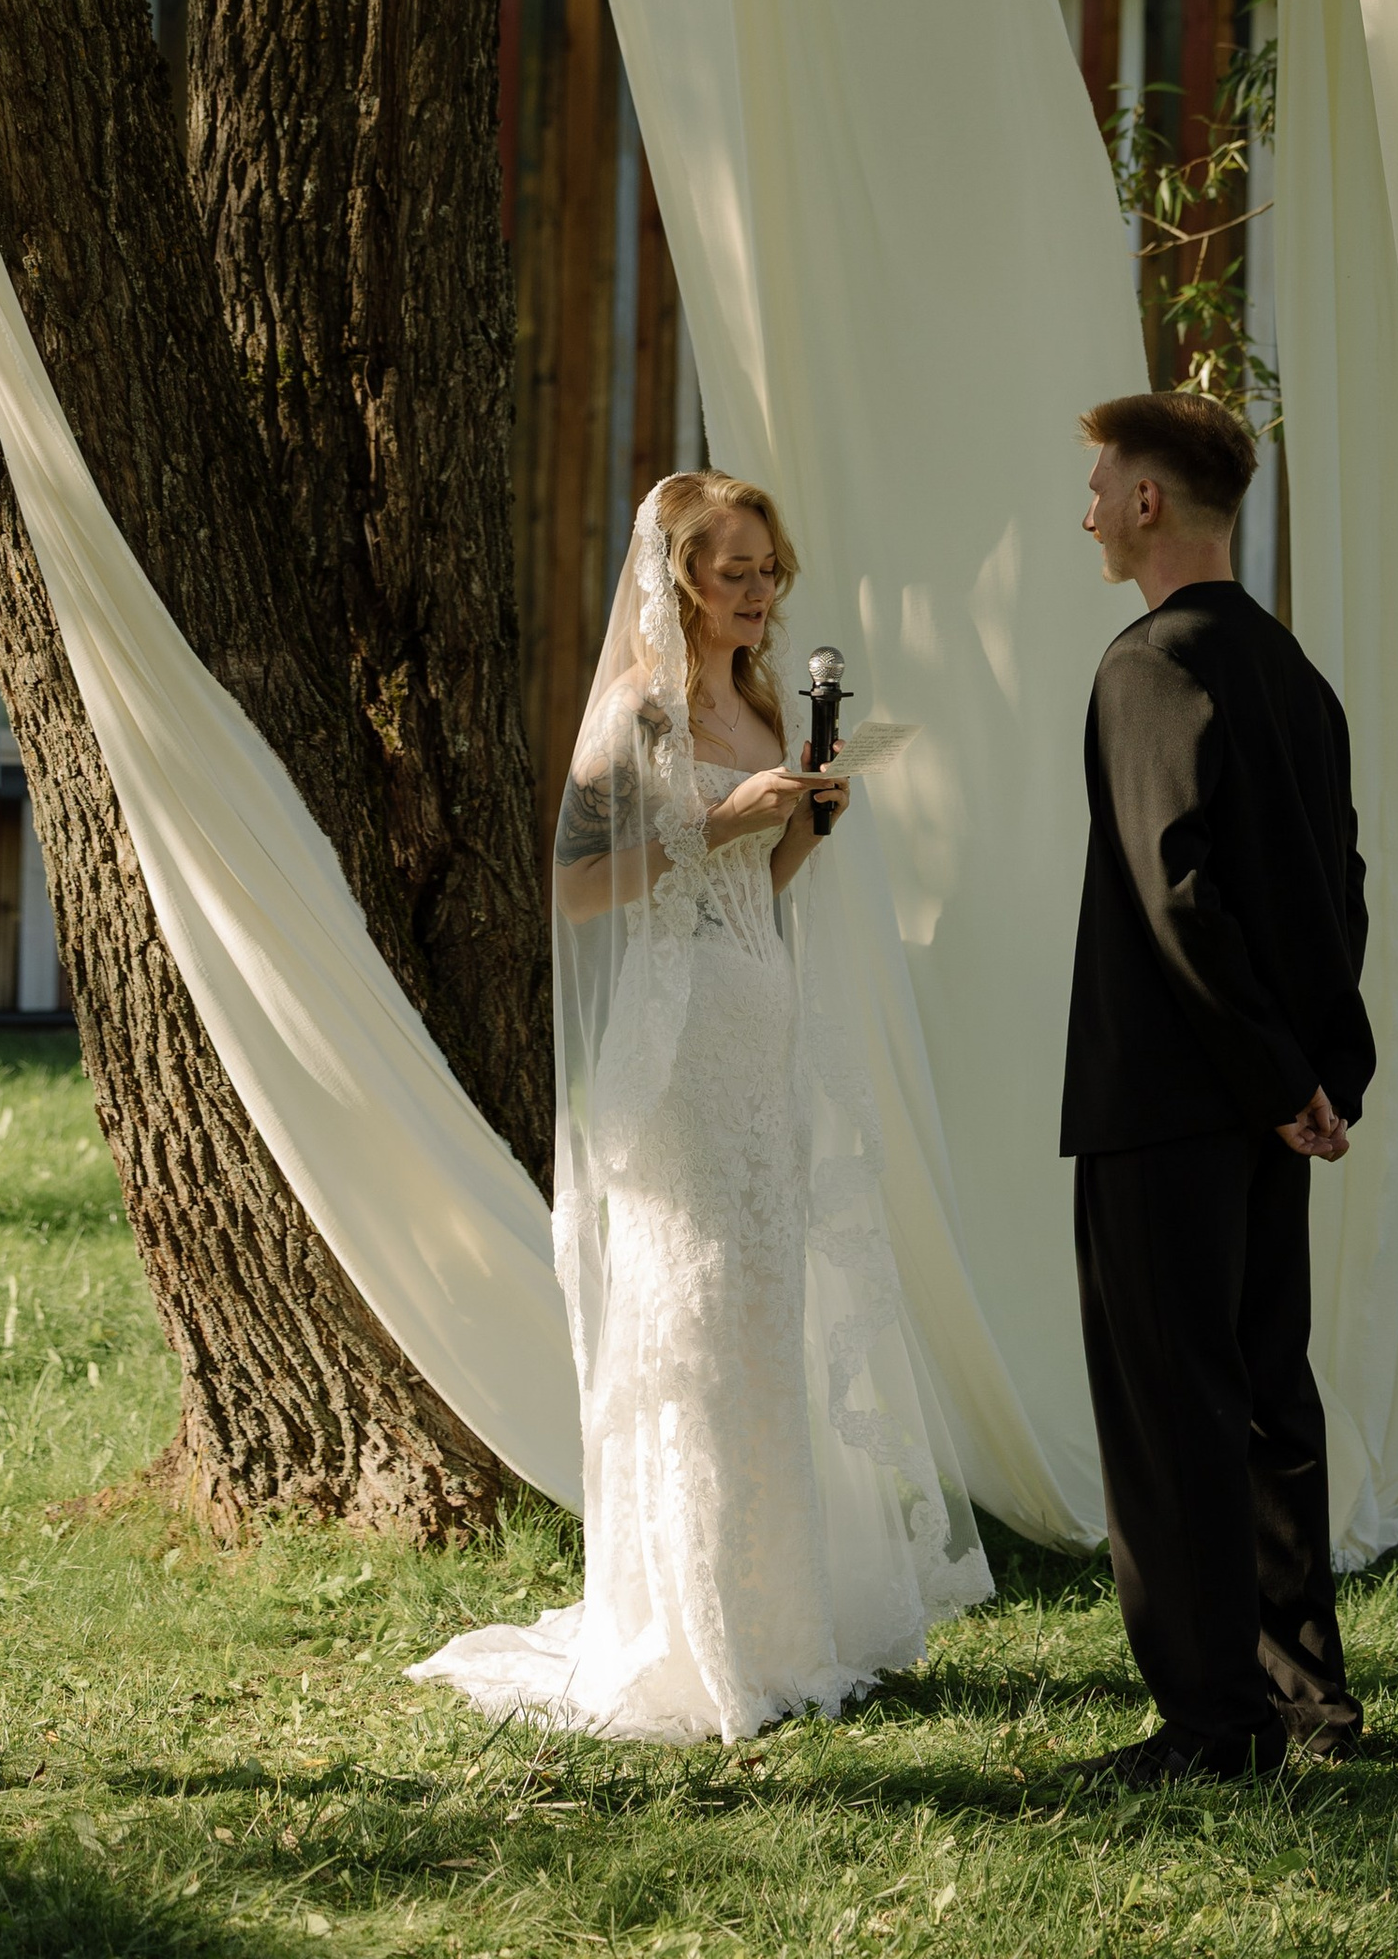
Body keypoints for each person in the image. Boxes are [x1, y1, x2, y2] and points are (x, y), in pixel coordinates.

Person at [412, 469, 990, 1739]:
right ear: (678, 578)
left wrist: (805, 823)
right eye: (735, 571)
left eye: (770, 570)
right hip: (675, 1051)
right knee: (696, 1310)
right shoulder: (642, 713)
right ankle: (686, 1628)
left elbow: (762, 882)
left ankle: (774, 1618)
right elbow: (573, 891)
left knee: (763, 1318)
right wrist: (722, 819)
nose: (759, 591)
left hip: (759, 1017)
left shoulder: (760, 698)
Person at [1062, 388, 1374, 1787]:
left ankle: (1211, 1723)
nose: (1085, 507)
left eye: (1098, 483)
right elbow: (1334, 894)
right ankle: (1305, 1699)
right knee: (1264, 1398)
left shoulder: (1148, 665)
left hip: (1170, 1098)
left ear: (1147, 503)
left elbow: (1177, 900)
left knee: (1171, 1411)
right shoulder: (1289, 670)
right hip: (1261, 1100)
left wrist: (1269, 1076)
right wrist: (1316, 1075)